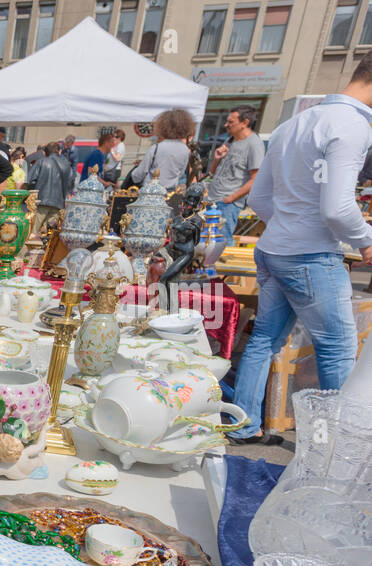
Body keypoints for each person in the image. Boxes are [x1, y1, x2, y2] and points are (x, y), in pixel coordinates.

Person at [226, 57, 372, 444]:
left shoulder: (294, 123)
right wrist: (366, 240)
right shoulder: (353, 125)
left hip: (276, 248)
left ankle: (244, 425)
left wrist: (290, 227)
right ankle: (327, 449)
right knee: (337, 349)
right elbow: (337, 207)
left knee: (264, 341)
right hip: (309, 255)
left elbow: (258, 198)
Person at [206, 105, 265, 237]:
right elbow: (213, 173)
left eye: (231, 122)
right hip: (213, 200)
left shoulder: (254, 144)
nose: (226, 125)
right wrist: (216, 159)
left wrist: (231, 198)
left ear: (245, 123)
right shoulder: (230, 140)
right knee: (206, 245)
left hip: (227, 205)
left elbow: (256, 179)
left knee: (221, 244)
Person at [130, 109, 195, 187]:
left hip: (150, 191)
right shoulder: (185, 150)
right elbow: (180, 173)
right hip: (170, 192)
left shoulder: (156, 147)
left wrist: (133, 176)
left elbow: (140, 173)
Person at [25, 141, 73, 237]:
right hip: (58, 204)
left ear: (45, 152)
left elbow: (30, 181)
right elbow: (70, 184)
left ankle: (27, 251)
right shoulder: (67, 165)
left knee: (31, 233)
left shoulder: (42, 162)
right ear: (59, 151)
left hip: (41, 203)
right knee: (50, 235)